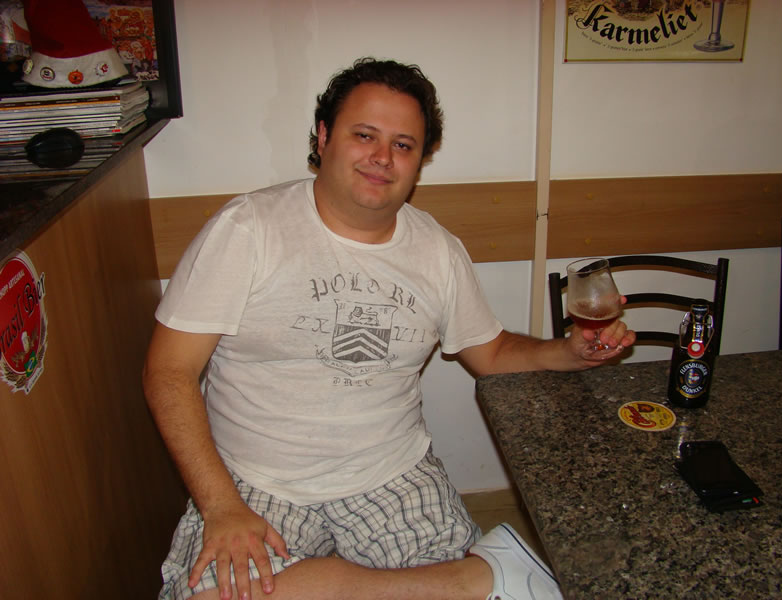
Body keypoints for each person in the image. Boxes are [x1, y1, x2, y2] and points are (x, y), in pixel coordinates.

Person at [143, 57, 635, 600]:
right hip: (255, 482)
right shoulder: (247, 229)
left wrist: (570, 352)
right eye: (365, 135)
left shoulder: (438, 251)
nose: (383, 157)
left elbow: (491, 353)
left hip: (392, 476)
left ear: (420, 160)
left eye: (403, 144)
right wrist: (220, 506)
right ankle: (469, 578)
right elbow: (168, 373)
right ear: (324, 136)